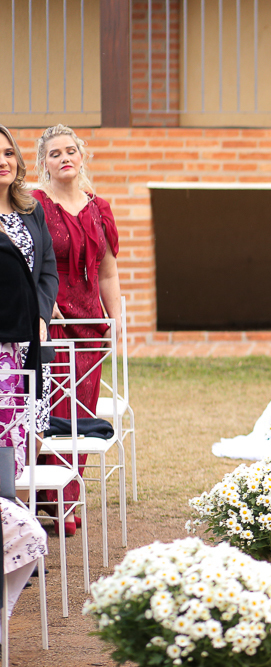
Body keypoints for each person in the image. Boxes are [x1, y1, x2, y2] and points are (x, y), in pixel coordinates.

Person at [33, 124, 122, 536]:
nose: (64, 158)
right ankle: (43, 499)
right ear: (43, 163)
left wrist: (113, 318)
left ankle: (66, 497)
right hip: (49, 319)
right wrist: (44, 308)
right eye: (55, 153)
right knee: (51, 409)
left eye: (71, 151)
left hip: (88, 320)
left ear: (81, 157)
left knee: (80, 413)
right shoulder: (32, 205)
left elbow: (107, 271)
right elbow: (29, 264)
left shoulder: (99, 207)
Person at [0, 200, 49, 627]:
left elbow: (43, 272)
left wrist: (39, 318)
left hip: (13, 353)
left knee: (12, 447)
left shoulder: (28, 216)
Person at [0, 126, 58, 438]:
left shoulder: (32, 210)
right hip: (1, 342)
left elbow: (48, 270)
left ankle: (23, 491)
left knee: (33, 430)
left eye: (8, 153)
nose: (3, 161)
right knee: (4, 435)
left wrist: (41, 316)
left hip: (31, 342)